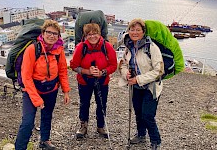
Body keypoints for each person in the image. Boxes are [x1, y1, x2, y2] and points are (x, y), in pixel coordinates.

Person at [15, 20, 71, 150]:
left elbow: (62, 70)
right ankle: (20, 147)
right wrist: (36, 99)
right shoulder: (32, 49)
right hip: (32, 90)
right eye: (49, 32)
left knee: (47, 115)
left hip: (51, 89)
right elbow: (26, 77)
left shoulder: (59, 50)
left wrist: (66, 91)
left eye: (55, 34)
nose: (51, 36)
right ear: (43, 33)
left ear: (58, 36)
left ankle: (44, 140)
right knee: (28, 122)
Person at [118, 18, 164, 150]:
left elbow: (158, 71)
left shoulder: (152, 48)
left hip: (151, 87)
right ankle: (141, 135)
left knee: (147, 115)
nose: (135, 32)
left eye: (138, 30)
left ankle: (156, 141)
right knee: (138, 111)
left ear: (143, 32)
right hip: (136, 87)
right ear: (128, 31)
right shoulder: (129, 47)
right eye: (132, 30)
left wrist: (138, 79)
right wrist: (125, 74)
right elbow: (123, 64)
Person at [70, 23, 117, 139]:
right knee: (84, 103)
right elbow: (73, 65)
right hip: (84, 81)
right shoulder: (81, 47)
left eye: (95, 33)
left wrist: (102, 72)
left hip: (102, 81)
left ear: (99, 34)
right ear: (85, 36)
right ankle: (83, 125)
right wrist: (87, 71)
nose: (92, 37)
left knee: (101, 103)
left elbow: (113, 65)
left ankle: (100, 126)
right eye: (89, 34)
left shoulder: (107, 47)